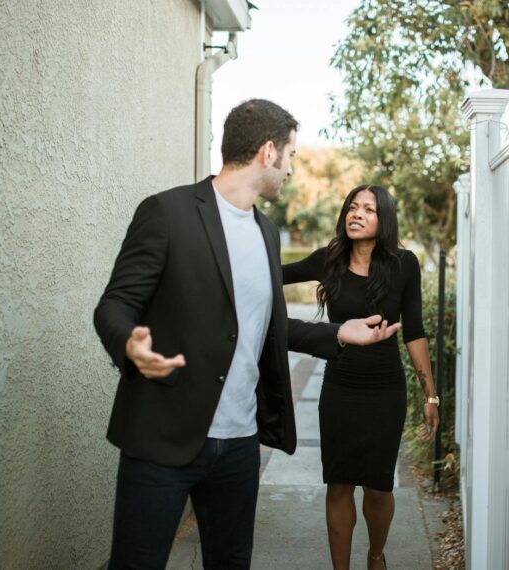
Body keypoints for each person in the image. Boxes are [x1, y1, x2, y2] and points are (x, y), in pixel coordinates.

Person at [93, 99, 400, 569]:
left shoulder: (266, 232)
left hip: (239, 445)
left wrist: (340, 334)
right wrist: (130, 346)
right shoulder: (167, 213)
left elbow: (269, 328)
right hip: (162, 436)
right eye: (292, 157)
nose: (293, 170)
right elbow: (115, 303)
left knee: (233, 562)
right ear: (268, 152)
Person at [282, 184, 440, 570]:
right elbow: (273, 275)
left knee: (378, 485)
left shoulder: (405, 264)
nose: (357, 214)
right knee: (338, 483)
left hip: (385, 390)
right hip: (340, 387)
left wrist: (430, 395)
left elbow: (414, 331)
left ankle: (375, 555)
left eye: (368, 209)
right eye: (353, 207)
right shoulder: (329, 260)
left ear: (384, 219)